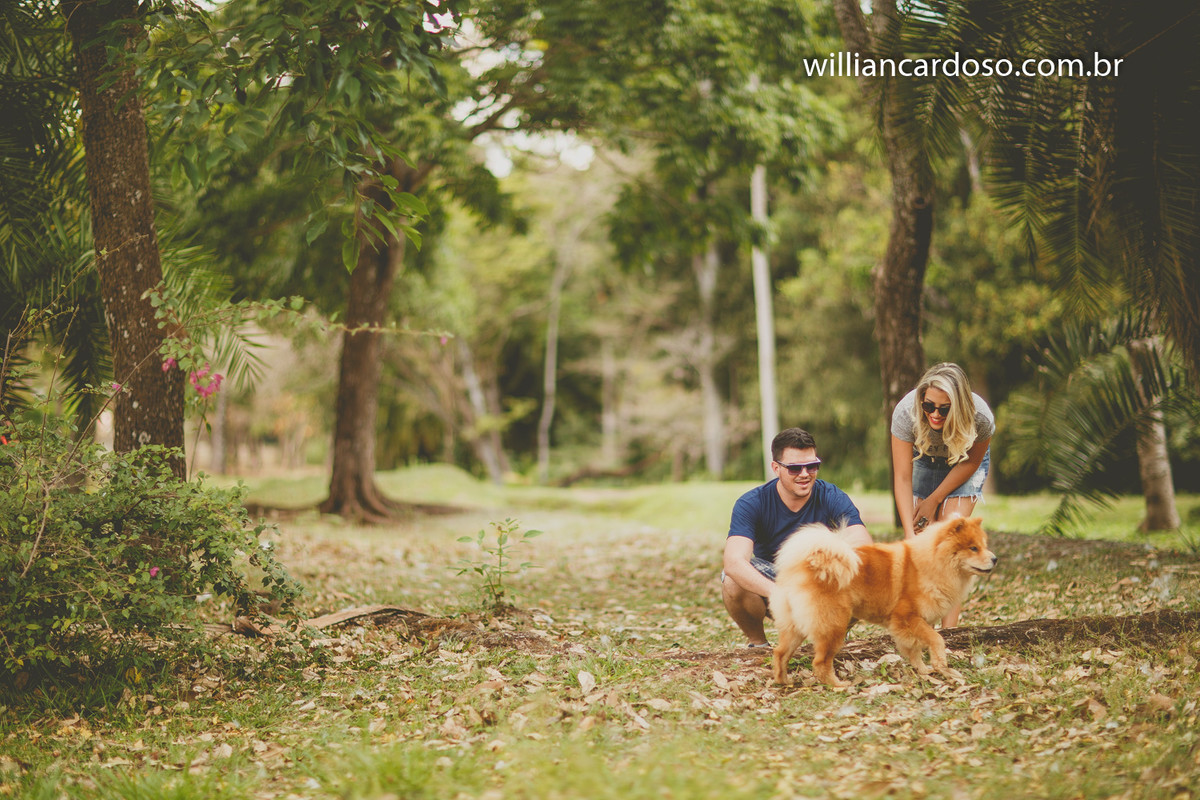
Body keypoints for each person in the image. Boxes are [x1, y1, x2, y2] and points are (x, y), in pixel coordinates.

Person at [722, 427, 872, 648]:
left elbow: (864, 547)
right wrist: (781, 593)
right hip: (776, 584)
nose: (805, 474)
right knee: (732, 579)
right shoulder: (752, 503)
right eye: (794, 468)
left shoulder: (831, 496)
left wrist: (825, 583)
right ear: (776, 468)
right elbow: (733, 562)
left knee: (866, 571)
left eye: (812, 466)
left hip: (821, 583)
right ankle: (758, 644)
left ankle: (835, 632)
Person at [890, 362, 995, 627]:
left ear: (959, 406)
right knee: (926, 541)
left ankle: (949, 634)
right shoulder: (906, 413)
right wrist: (910, 537)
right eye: (929, 406)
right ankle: (924, 626)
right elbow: (902, 476)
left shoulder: (980, 418)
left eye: (944, 409)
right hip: (924, 458)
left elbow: (971, 463)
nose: (935, 414)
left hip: (963, 460)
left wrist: (935, 499)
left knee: (952, 540)